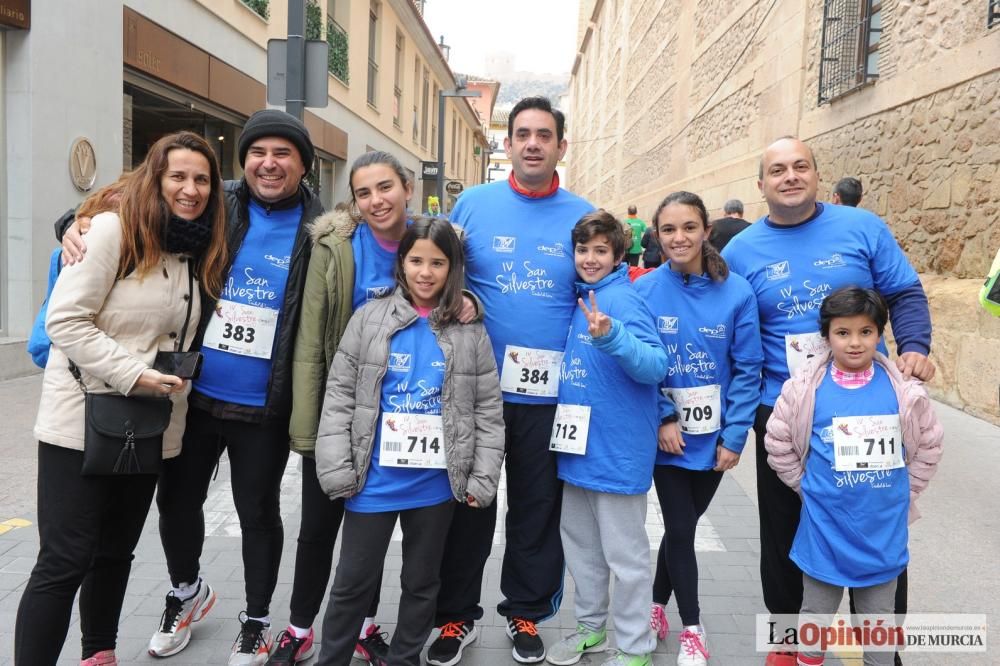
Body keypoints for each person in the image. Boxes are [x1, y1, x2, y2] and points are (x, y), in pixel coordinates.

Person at [59, 109, 326, 665]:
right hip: (188, 395)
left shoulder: (325, 228)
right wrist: (72, 224)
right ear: (243, 159)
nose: (268, 163)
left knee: (258, 513)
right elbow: (119, 207)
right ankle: (186, 592)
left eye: (283, 154)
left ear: (304, 165)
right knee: (177, 501)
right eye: (258, 152)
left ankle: (255, 620)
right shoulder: (215, 200)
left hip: (265, 403)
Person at [721, 136, 935, 666]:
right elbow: (717, 319)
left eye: (800, 166)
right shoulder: (742, 250)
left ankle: (882, 645)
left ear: (817, 175)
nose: (790, 176)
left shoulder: (860, 228)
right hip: (784, 410)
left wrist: (914, 349)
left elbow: (905, 292)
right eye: (777, 170)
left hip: (869, 408)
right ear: (760, 185)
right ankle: (790, 642)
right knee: (784, 525)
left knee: (876, 515)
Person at [17, 131, 228, 666]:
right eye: (177, 176)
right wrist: (134, 374)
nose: (190, 188)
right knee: (63, 561)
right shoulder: (112, 231)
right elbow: (65, 320)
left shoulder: (196, 247)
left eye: (202, 179)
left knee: (114, 554)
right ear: (153, 178)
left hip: (150, 425)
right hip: (80, 422)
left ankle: (98, 655)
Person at [428, 96, 594, 666]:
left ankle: (526, 612)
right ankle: (455, 617)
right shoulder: (472, 204)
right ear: (507, 144)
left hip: (549, 397)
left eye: (543, 135)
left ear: (560, 147)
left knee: (536, 507)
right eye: (521, 133)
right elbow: (440, 274)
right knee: (468, 503)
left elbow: (601, 292)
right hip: (476, 390)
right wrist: (468, 298)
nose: (531, 143)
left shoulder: (583, 215)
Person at [278, 150, 458, 666]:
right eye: (363, 192)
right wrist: (313, 435)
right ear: (353, 201)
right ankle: (300, 629)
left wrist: (471, 303)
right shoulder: (336, 246)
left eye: (385, 187)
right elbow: (313, 341)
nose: (376, 200)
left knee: (412, 567)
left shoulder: (436, 242)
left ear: (406, 187)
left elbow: (471, 304)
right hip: (348, 421)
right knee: (327, 536)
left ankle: (372, 632)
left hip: (421, 452)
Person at [313, 217, 505, 666]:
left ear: (452, 268)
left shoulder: (469, 329)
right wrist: (337, 466)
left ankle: (404, 659)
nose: (425, 272)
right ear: (401, 263)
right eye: (416, 260)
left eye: (437, 262)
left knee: (421, 583)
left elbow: (487, 411)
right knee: (351, 584)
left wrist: (482, 477)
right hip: (373, 480)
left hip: (435, 486)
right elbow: (339, 396)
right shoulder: (369, 318)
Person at [764, 287, 943, 666]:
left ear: (880, 334)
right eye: (843, 333)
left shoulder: (904, 393)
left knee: (879, 637)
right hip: (824, 530)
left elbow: (928, 444)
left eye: (866, 332)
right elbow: (778, 442)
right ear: (826, 336)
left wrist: (904, 491)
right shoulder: (802, 390)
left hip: (882, 534)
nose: (855, 342)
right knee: (813, 625)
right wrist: (805, 486)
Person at [635, 192, 763, 666]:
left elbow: (749, 369)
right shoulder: (644, 290)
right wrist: (663, 415)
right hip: (666, 437)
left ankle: (654, 607)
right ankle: (693, 626)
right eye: (668, 230)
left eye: (688, 227)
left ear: (706, 231)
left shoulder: (738, 292)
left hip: (714, 441)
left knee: (678, 532)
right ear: (656, 235)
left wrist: (734, 436)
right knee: (682, 527)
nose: (679, 238)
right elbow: (638, 365)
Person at [544, 211, 666, 666]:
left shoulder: (622, 300)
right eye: (583, 250)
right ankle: (591, 630)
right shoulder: (583, 297)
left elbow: (655, 366)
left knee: (626, 559)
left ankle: (635, 647)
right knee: (582, 551)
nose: (589, 258)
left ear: (618, 255)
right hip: (577, 451)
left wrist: (612, 336)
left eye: (600, 250)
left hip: (618, 453)